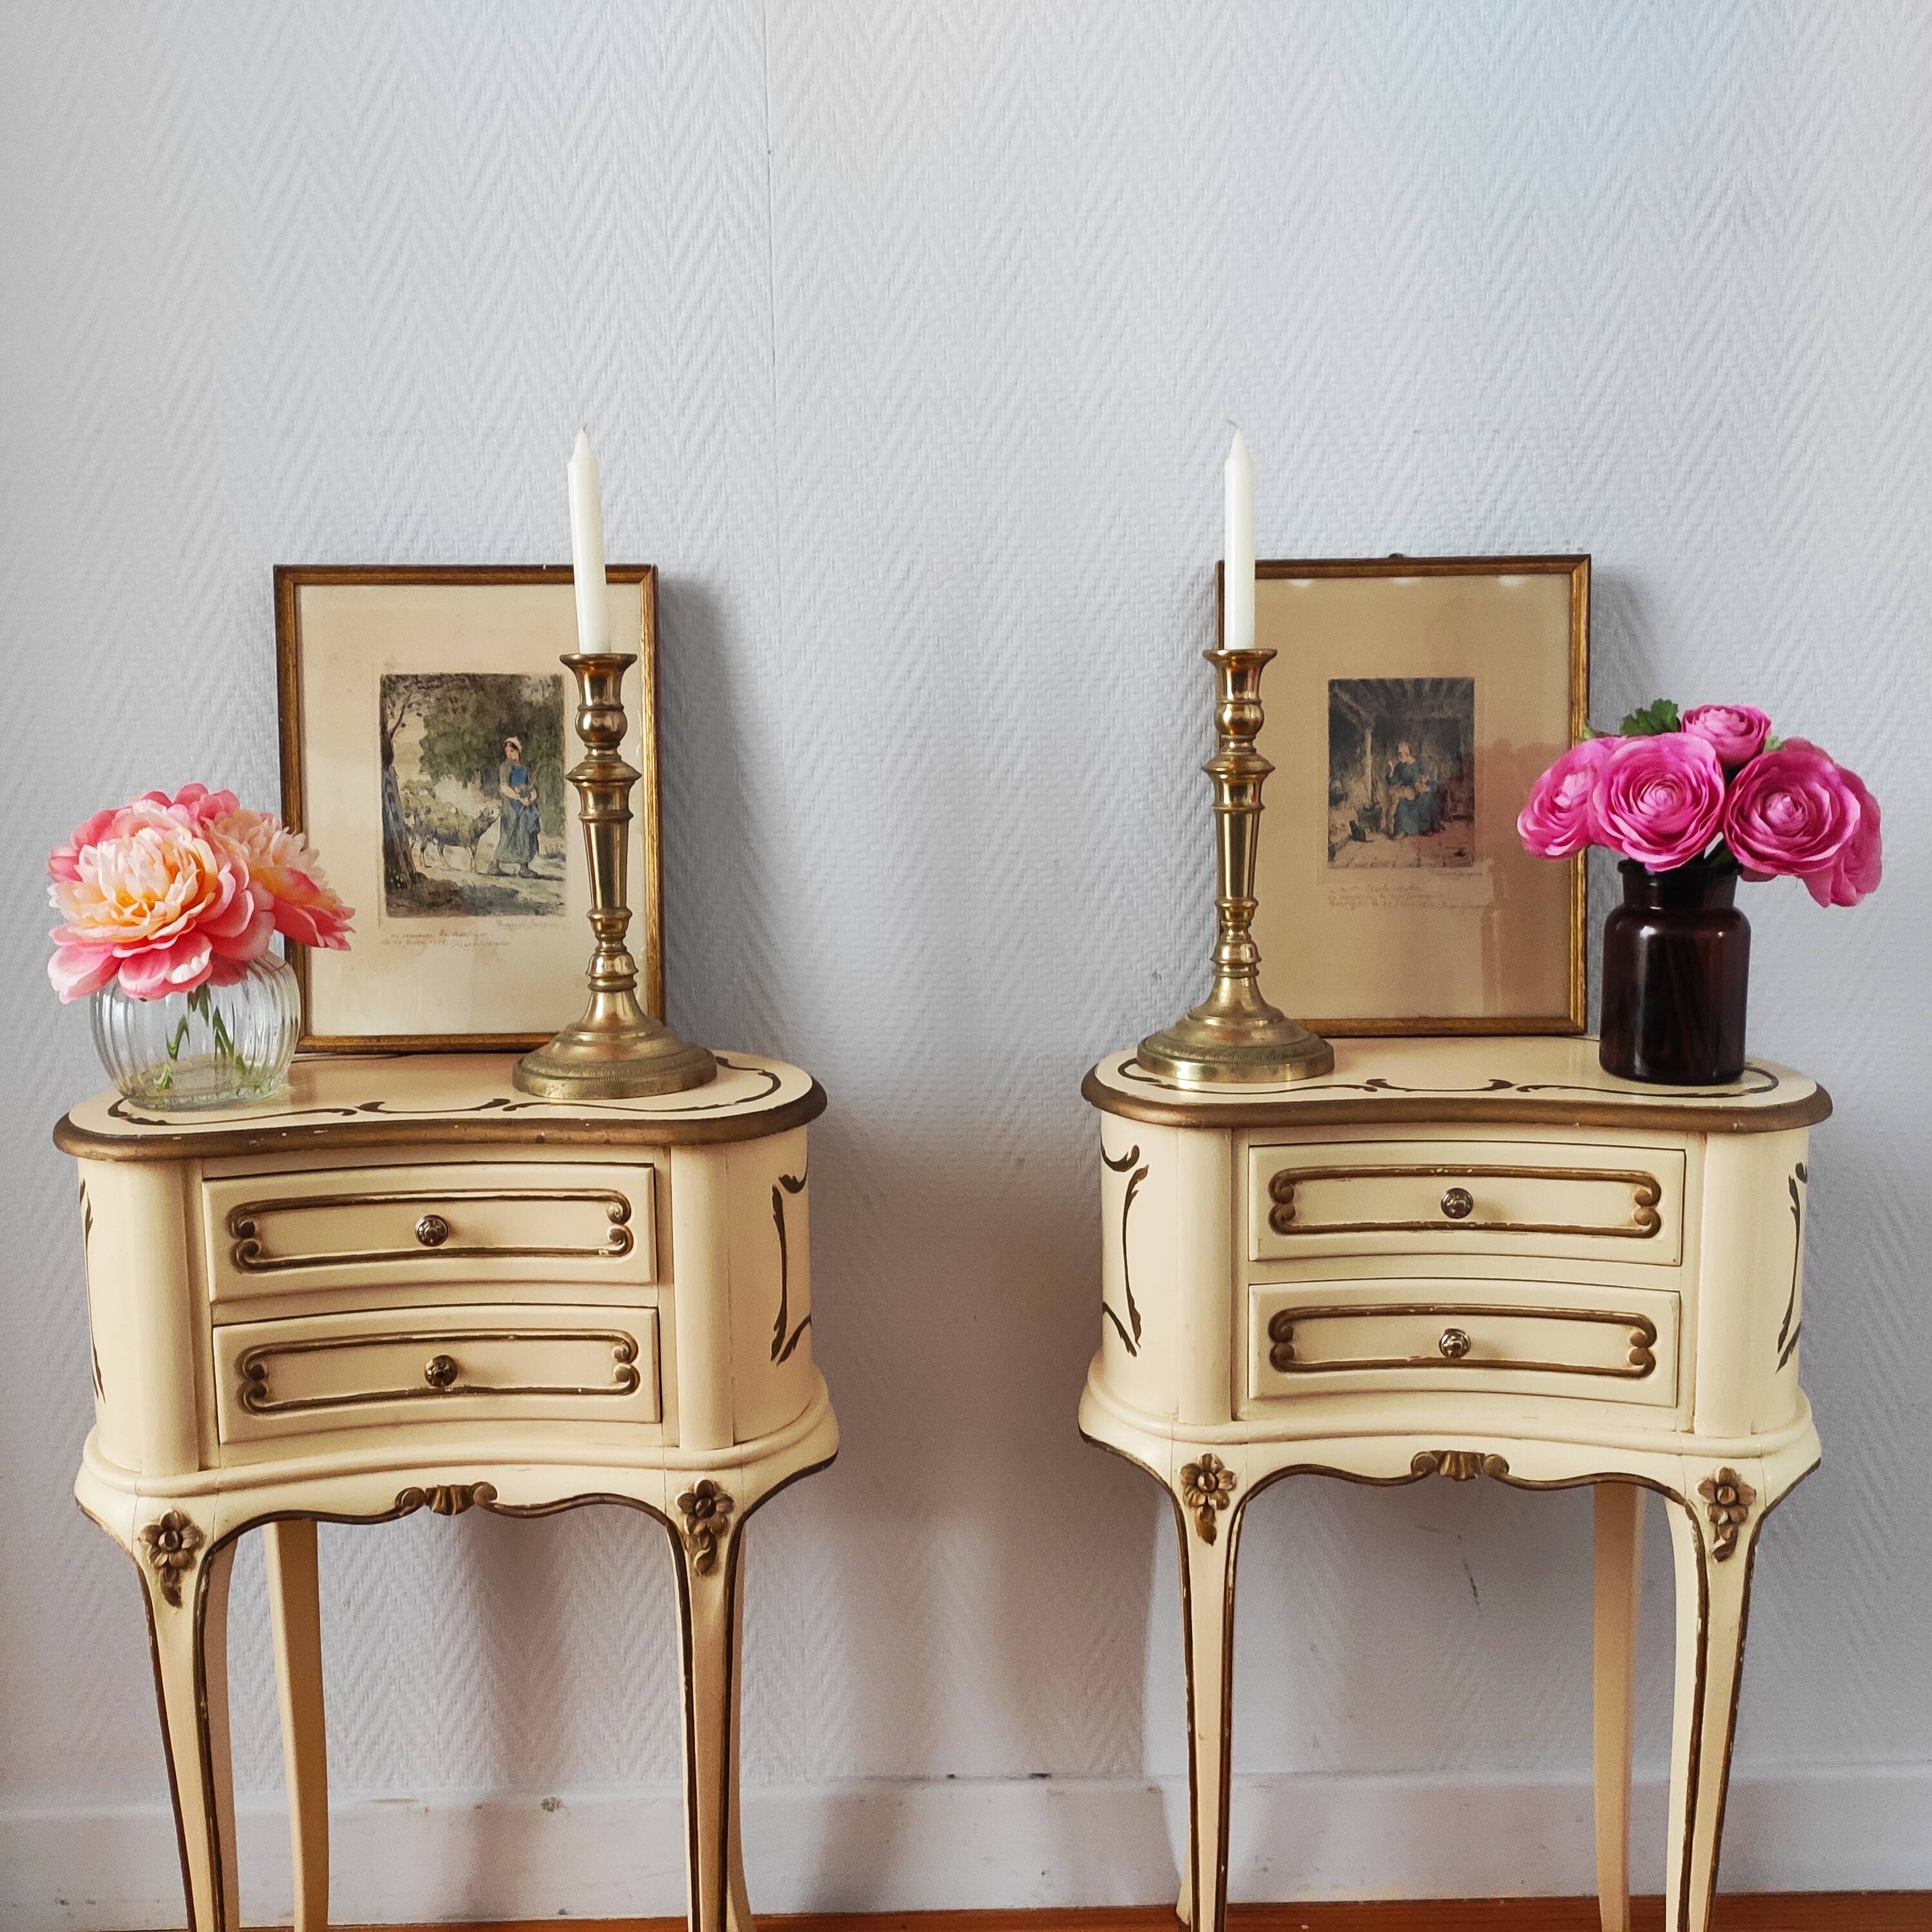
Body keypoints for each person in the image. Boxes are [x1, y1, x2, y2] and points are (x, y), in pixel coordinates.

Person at [495, 735, 541, 876]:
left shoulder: (524, 768)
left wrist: (531, 797)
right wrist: (518, 798)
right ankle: (494, 864)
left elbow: (531, 787)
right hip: (511, 806)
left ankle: (524, 868)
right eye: (507, 752)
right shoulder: (505, 767)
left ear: (518, 751)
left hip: (524, 806)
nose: (510, 754)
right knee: (508, 835)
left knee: (524, 835)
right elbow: (504, 787)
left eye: (512, 751)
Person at [1385, 739, 1442, 838]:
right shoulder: (1399, 766)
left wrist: (1426, 786)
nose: (1399, 757)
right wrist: (1392, 769)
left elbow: (1428, 778)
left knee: (1426, 798)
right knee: (1400, 802)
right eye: (1398, 754)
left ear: (1408, 754)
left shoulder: (1418, 764)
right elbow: (1392, 781)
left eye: (1401, 754)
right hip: (1407, 792)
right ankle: (1401, 830)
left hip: (1419, 792)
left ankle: (1424, 829)